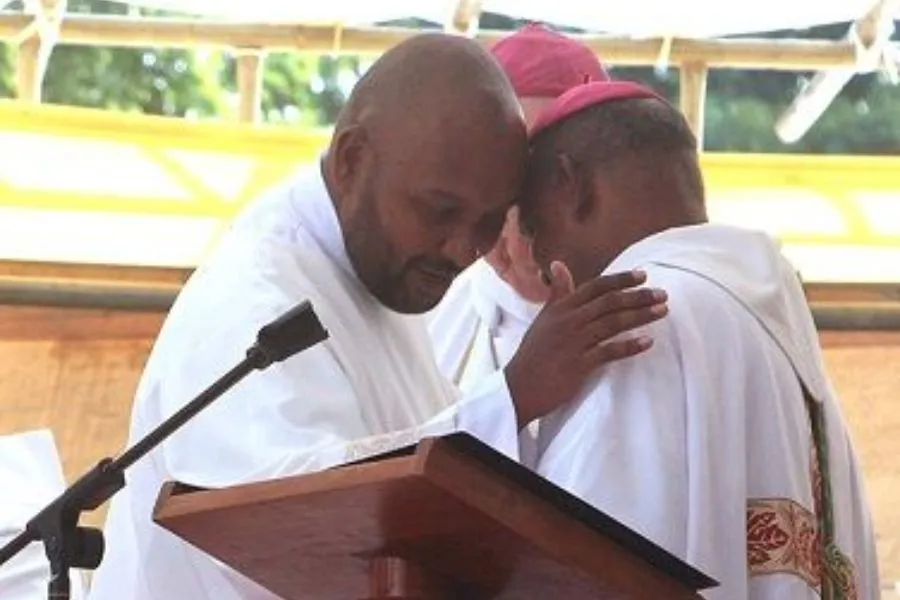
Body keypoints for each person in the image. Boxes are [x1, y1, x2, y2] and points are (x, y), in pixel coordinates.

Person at [88, 35, 669, 600]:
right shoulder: (253, 300)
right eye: (441, 210)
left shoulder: (385, 273)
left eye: (488, 220)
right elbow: (293, 516)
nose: (462, 250)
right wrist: (514, 397)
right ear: (352, 160)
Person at [519, 80, 879, 599]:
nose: (537, 258)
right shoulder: (773, 323)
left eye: (534, 228)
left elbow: (577, 566)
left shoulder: (638, 316)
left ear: (570, 184)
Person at [429, 23, 611, 397]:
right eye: (500, 186)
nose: (520, 222)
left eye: (545, 182)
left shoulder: (651, 316)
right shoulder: (431, 310)